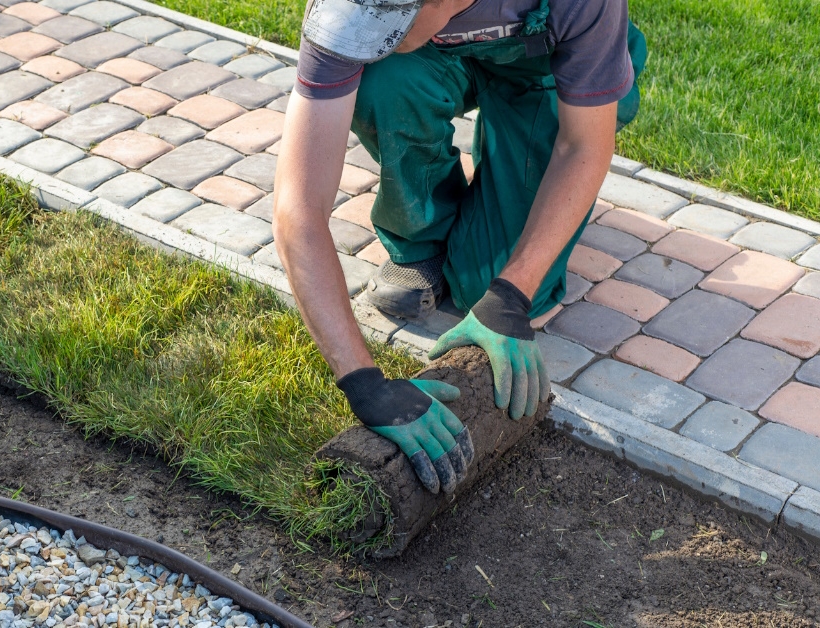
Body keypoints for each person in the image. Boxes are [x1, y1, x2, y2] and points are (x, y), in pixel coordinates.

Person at [272, 0, 645, 495]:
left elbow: (583, 147)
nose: (366, 33)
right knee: (382, 79)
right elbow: (297, 205)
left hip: (543, 71)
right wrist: (361, 381)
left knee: (484, 286)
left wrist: (511, 295)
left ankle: (510, 153)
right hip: (438, 57)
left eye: (389, 21)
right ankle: (421, 242)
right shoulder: (346, 11)